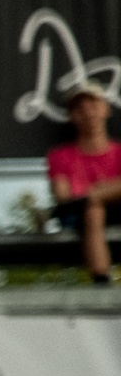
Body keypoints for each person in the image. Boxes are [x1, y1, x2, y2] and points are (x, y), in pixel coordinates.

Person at [47, 83, 121, 284]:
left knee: (93, 203)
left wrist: (96, 193)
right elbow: (63, 196)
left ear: (105, 109)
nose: (88, 113)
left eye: (93, 106)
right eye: (80, 109)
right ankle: (101, 280)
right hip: (80, 216)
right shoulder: (60, 156)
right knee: (93, 210)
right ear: (72, 116)